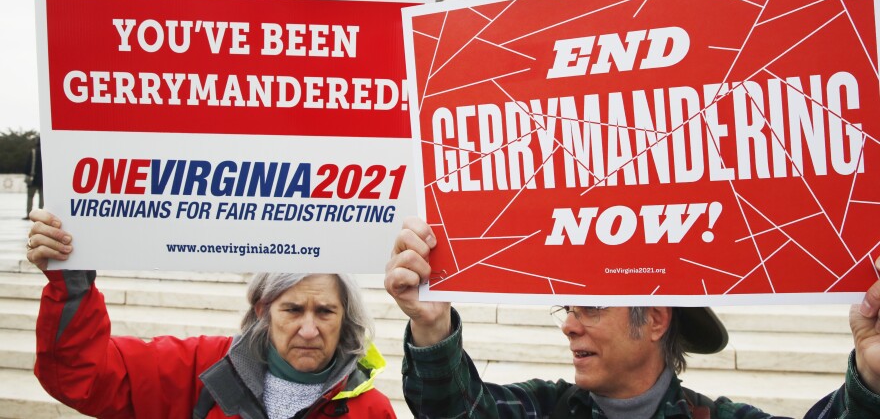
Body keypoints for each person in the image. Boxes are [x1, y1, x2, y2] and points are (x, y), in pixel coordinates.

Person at [384, 216, 880, 418]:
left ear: (656, 320)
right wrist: (431, 325)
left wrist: (872, 378)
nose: (569, 324)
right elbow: (454, 410)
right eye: (569, 307)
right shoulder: (543, 409)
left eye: (592, 308)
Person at [26, 209, 396, 419]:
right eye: (293, 310)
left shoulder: (371, 409)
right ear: (263, 310)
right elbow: (82, 378)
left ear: (345, 316)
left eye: (326, 311)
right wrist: (72, 282)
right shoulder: (200, 369)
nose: (310, 330)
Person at [23, 136, 43, 219]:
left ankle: (29, 214)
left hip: (33, 178)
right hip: (43, 180)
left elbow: (28, 166)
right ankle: (41, 215)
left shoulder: (33, 151)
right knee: (42, 198)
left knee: (30, 197)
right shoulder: (46, 152)